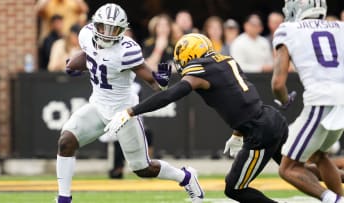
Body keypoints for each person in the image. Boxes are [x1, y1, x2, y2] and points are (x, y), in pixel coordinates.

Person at [105, 33, 288, 203]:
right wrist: (238, 133)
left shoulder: (199, 71)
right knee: (292, 169)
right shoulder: (226, 60)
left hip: (260, 131)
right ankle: (319, 188)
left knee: (234, 189)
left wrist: (131, 111)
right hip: (272, 117)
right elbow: (239, 98)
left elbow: (170, 95)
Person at [56, 3, 203, 203]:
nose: (107, 34)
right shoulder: (86, 35)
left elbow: (151, 80)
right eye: (103, 27)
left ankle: (186, 177)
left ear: (122, 30)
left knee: (143, 168)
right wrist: (75, 63)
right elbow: (91, 54)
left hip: (123, 113)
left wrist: (160, 82)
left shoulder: (126, 51)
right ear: (95, 25)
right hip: (98, 106)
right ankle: (64, 199)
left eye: (113, 29)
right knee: (66, 142)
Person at [271, 0, 344, 202]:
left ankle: (335, 200)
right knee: (319, 155)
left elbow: (277, 84)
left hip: (321, 100)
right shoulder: (340, 27)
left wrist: (284, 100)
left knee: (288, 169)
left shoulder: (288, 29)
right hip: (342, 99)